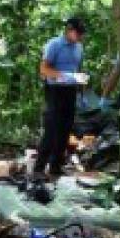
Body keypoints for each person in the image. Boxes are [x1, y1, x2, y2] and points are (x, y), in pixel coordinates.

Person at [34, 16, 89, 179]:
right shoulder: (54, 45)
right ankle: (39, 168)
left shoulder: (79, 48)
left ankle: (55, 167)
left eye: (81, 34)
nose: (80, 37)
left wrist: (80, 87)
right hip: (55, 91)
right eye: (78, 33)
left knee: (65, 130)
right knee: (52, 129)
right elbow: (44, 69)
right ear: (69, 31)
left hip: (70, 91)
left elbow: (78, 68)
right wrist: (64, 76)